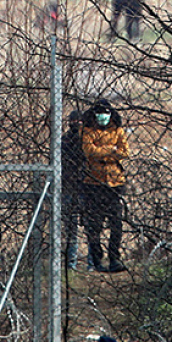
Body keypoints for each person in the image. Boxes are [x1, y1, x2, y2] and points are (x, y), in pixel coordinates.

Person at [82, 99, 129, 273]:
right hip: (93, 183)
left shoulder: (117, 130)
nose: (103, 116)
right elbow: (89, 151)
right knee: (95, 225)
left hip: (115, 183)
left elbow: (124, 151)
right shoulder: (87, 131)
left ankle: (114, 258)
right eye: (100, 113)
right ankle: (96, 259)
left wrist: (102, 152)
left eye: (106, 113)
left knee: (116, 223)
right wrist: (112, 150)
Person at [61, 110, 85, 269]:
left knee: (87, 225)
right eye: (73, 121)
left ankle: (88, 262)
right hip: (69, 186)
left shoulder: (86, 140)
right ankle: (71, 262)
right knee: (70, 227)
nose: (75, 123)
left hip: (83, 187)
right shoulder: (65, 140)